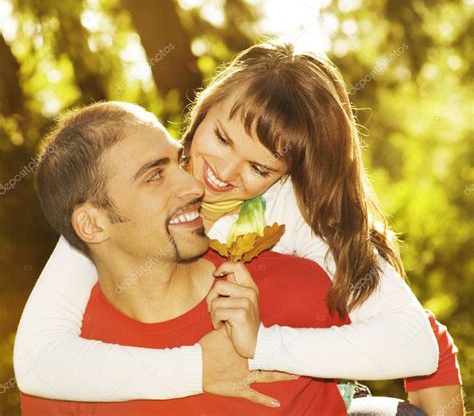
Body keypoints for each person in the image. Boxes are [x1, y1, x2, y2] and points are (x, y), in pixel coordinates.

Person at [14, 43, 462, 413]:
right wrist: (200, 367)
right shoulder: (119, 205)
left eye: (259, 167)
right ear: (202, 112)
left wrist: (261, 345)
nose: (221, 174)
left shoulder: (292, 213)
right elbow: (37, 361)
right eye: (222, 139)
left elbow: (417, 342)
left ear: (284, 175)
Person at [21, 102, 348, 414]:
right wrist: (197, 366)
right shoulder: (65, 377)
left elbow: (389, 327)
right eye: (154, 176)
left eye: (179, 162)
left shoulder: (296, 290)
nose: (193, 186)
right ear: (92, 224)